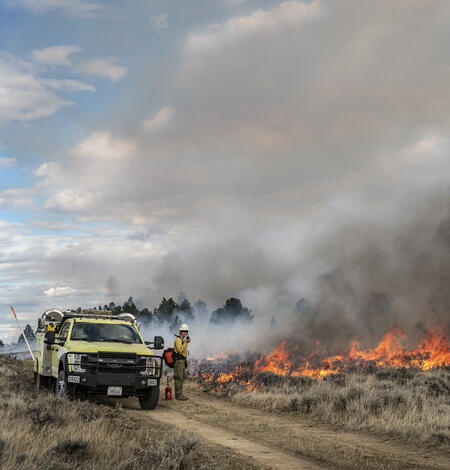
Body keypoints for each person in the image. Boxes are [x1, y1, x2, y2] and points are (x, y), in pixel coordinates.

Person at [173, 323, 190, 400]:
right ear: (181, 332)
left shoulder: (182, 340)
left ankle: (179, 394)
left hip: (182, 361)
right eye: (185, 332)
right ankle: (178, 395)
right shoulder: (178, 339)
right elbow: (180, 350)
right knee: (179, 378)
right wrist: (186, 342)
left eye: (187, 332)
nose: (186, 333)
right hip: (179, 361)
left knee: (182, 377)